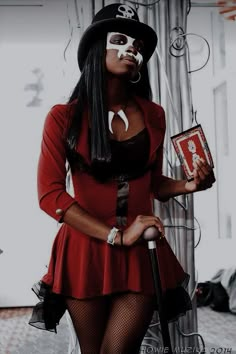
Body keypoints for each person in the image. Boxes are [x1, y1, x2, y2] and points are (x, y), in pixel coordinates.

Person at [29, 3, 215, 354]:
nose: (132, 48)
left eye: (138, 45)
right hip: (84, 251)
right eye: (120, 39)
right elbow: (50, 195)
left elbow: (153, 183)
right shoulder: (63, 117)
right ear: (97, 48)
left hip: (140, 252)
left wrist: (189, 185)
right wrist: (116, 235)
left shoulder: (154, 114)